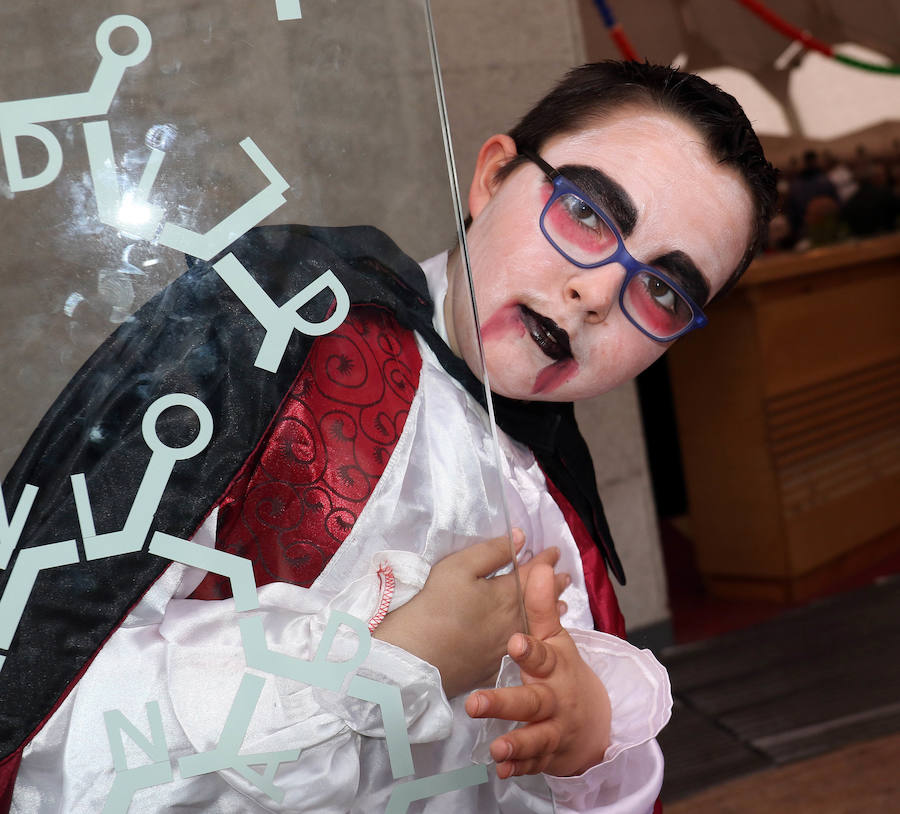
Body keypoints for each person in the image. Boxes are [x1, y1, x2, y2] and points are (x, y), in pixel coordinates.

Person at [2, 61, 776, 812]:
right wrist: (388, 663)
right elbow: (50, 718)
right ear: (493, 177)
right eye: (585, 212)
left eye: (664, 291)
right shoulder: (278, 330)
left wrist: (582, 737)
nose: (598, 293)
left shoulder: (554, 499)